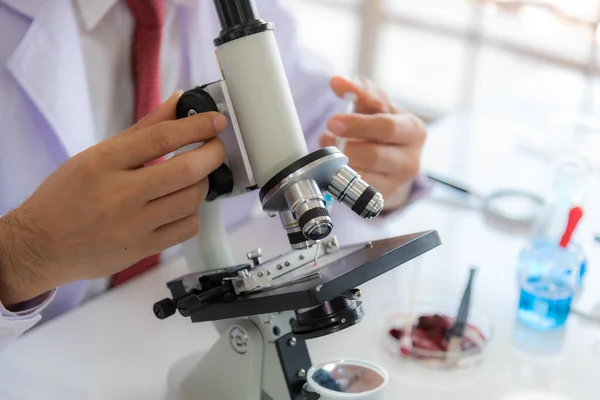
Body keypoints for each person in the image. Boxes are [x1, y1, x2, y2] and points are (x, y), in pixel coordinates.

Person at [0, 0, 427, 351]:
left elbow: (319, 135)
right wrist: (24, 254)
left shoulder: (232, 10)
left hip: (170, 334)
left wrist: (387, 168)